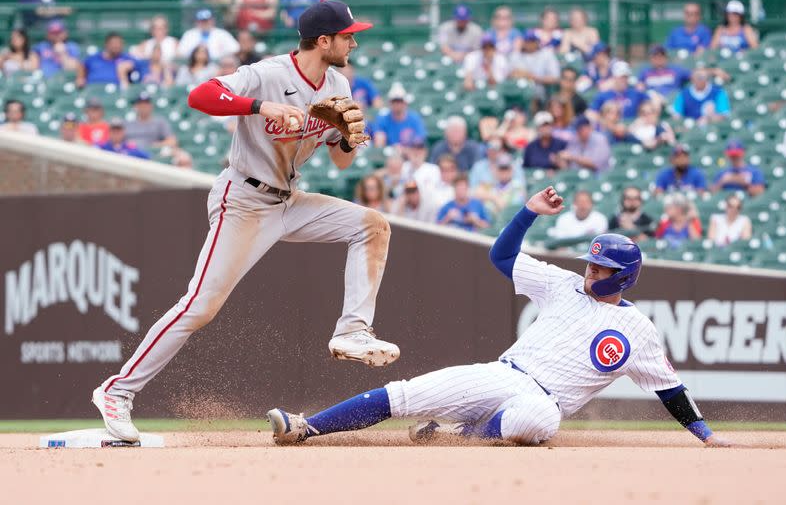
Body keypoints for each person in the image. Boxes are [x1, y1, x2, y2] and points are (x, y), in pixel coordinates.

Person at [91, 0, 400, 444]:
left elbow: (338, 159)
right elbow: (199, 96)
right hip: (244, 200)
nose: (354, 41)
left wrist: (349, 140)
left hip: (288, 200)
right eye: (348, 35)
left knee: (372, 224)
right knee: (200, 306)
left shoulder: (338, 82)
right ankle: (117, 391)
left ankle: (353, 331)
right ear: (324, 40)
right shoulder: (269, 73)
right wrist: (260, 107)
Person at [266, 186, 733, 449]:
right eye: (591, 264)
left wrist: (706, 435)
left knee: (537, 420)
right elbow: (502, 255)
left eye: (602, 269)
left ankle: (458, 434)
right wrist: (528, 213)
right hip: (502, 373)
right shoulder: (562, 283)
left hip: (544, 399)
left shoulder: (639, 331)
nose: (591, 272)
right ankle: (306, 426)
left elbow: (670, 389)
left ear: (624, 278)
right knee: (405, 394)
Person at [508, 30, 560, 102]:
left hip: (540, 89)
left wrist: (534, 77)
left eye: (532, 41)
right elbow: (508, 75)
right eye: (527, 41)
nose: (529, 44)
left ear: (537, 42)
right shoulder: (515, 55)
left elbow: (555, 78)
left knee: (532, 92)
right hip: (517, 90)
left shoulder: (547, 54)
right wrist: (520, 74)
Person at [372, 84, 426, 148]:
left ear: (405, 103)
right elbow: (379, 141)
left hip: (409, 152)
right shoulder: (383, 119)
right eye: (394, 101)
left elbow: (419, 141)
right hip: (389, 153)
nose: (397, 104)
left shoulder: (414, 119)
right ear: (390, 103)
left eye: (400, 101)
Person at [473, 153, 526, 217]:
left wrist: (495, 201)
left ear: (511, 170)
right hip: (491, 222)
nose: (504, 172)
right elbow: (474, 194)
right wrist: (494, 198)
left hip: (509, 221)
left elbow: (512, 208)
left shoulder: (517, 186)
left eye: (506, 169)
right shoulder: (491, 184)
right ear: (496, 170)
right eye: (501, 169)